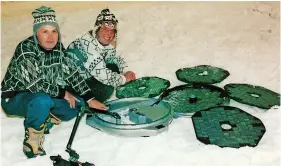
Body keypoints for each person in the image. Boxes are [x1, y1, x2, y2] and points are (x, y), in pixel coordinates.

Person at [1, 6, 108, 159]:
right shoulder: (26, 50)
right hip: (15, 98)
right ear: (36, 33)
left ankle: (45, 116)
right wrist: (63, 93)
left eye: (54, 31)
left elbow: (72, 73)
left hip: (42, 93)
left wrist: (90, 98)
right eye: (45, 31)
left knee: (78, 106)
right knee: (42, 101)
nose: (51, 37)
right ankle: (32, 140)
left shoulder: (57, 48)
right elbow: (36, 85)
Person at [66, 8, 136, 102]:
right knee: (106, 89)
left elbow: (114, 57)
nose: (109, 33)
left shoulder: (101, 42)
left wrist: (126, 70)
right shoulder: (88, 45)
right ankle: (85, 103)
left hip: (86, 77)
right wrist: (123, 79)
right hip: (72, 86)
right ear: (97, 29)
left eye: (112, 31)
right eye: (105, 29)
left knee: (113, 67)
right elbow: (102, 75)